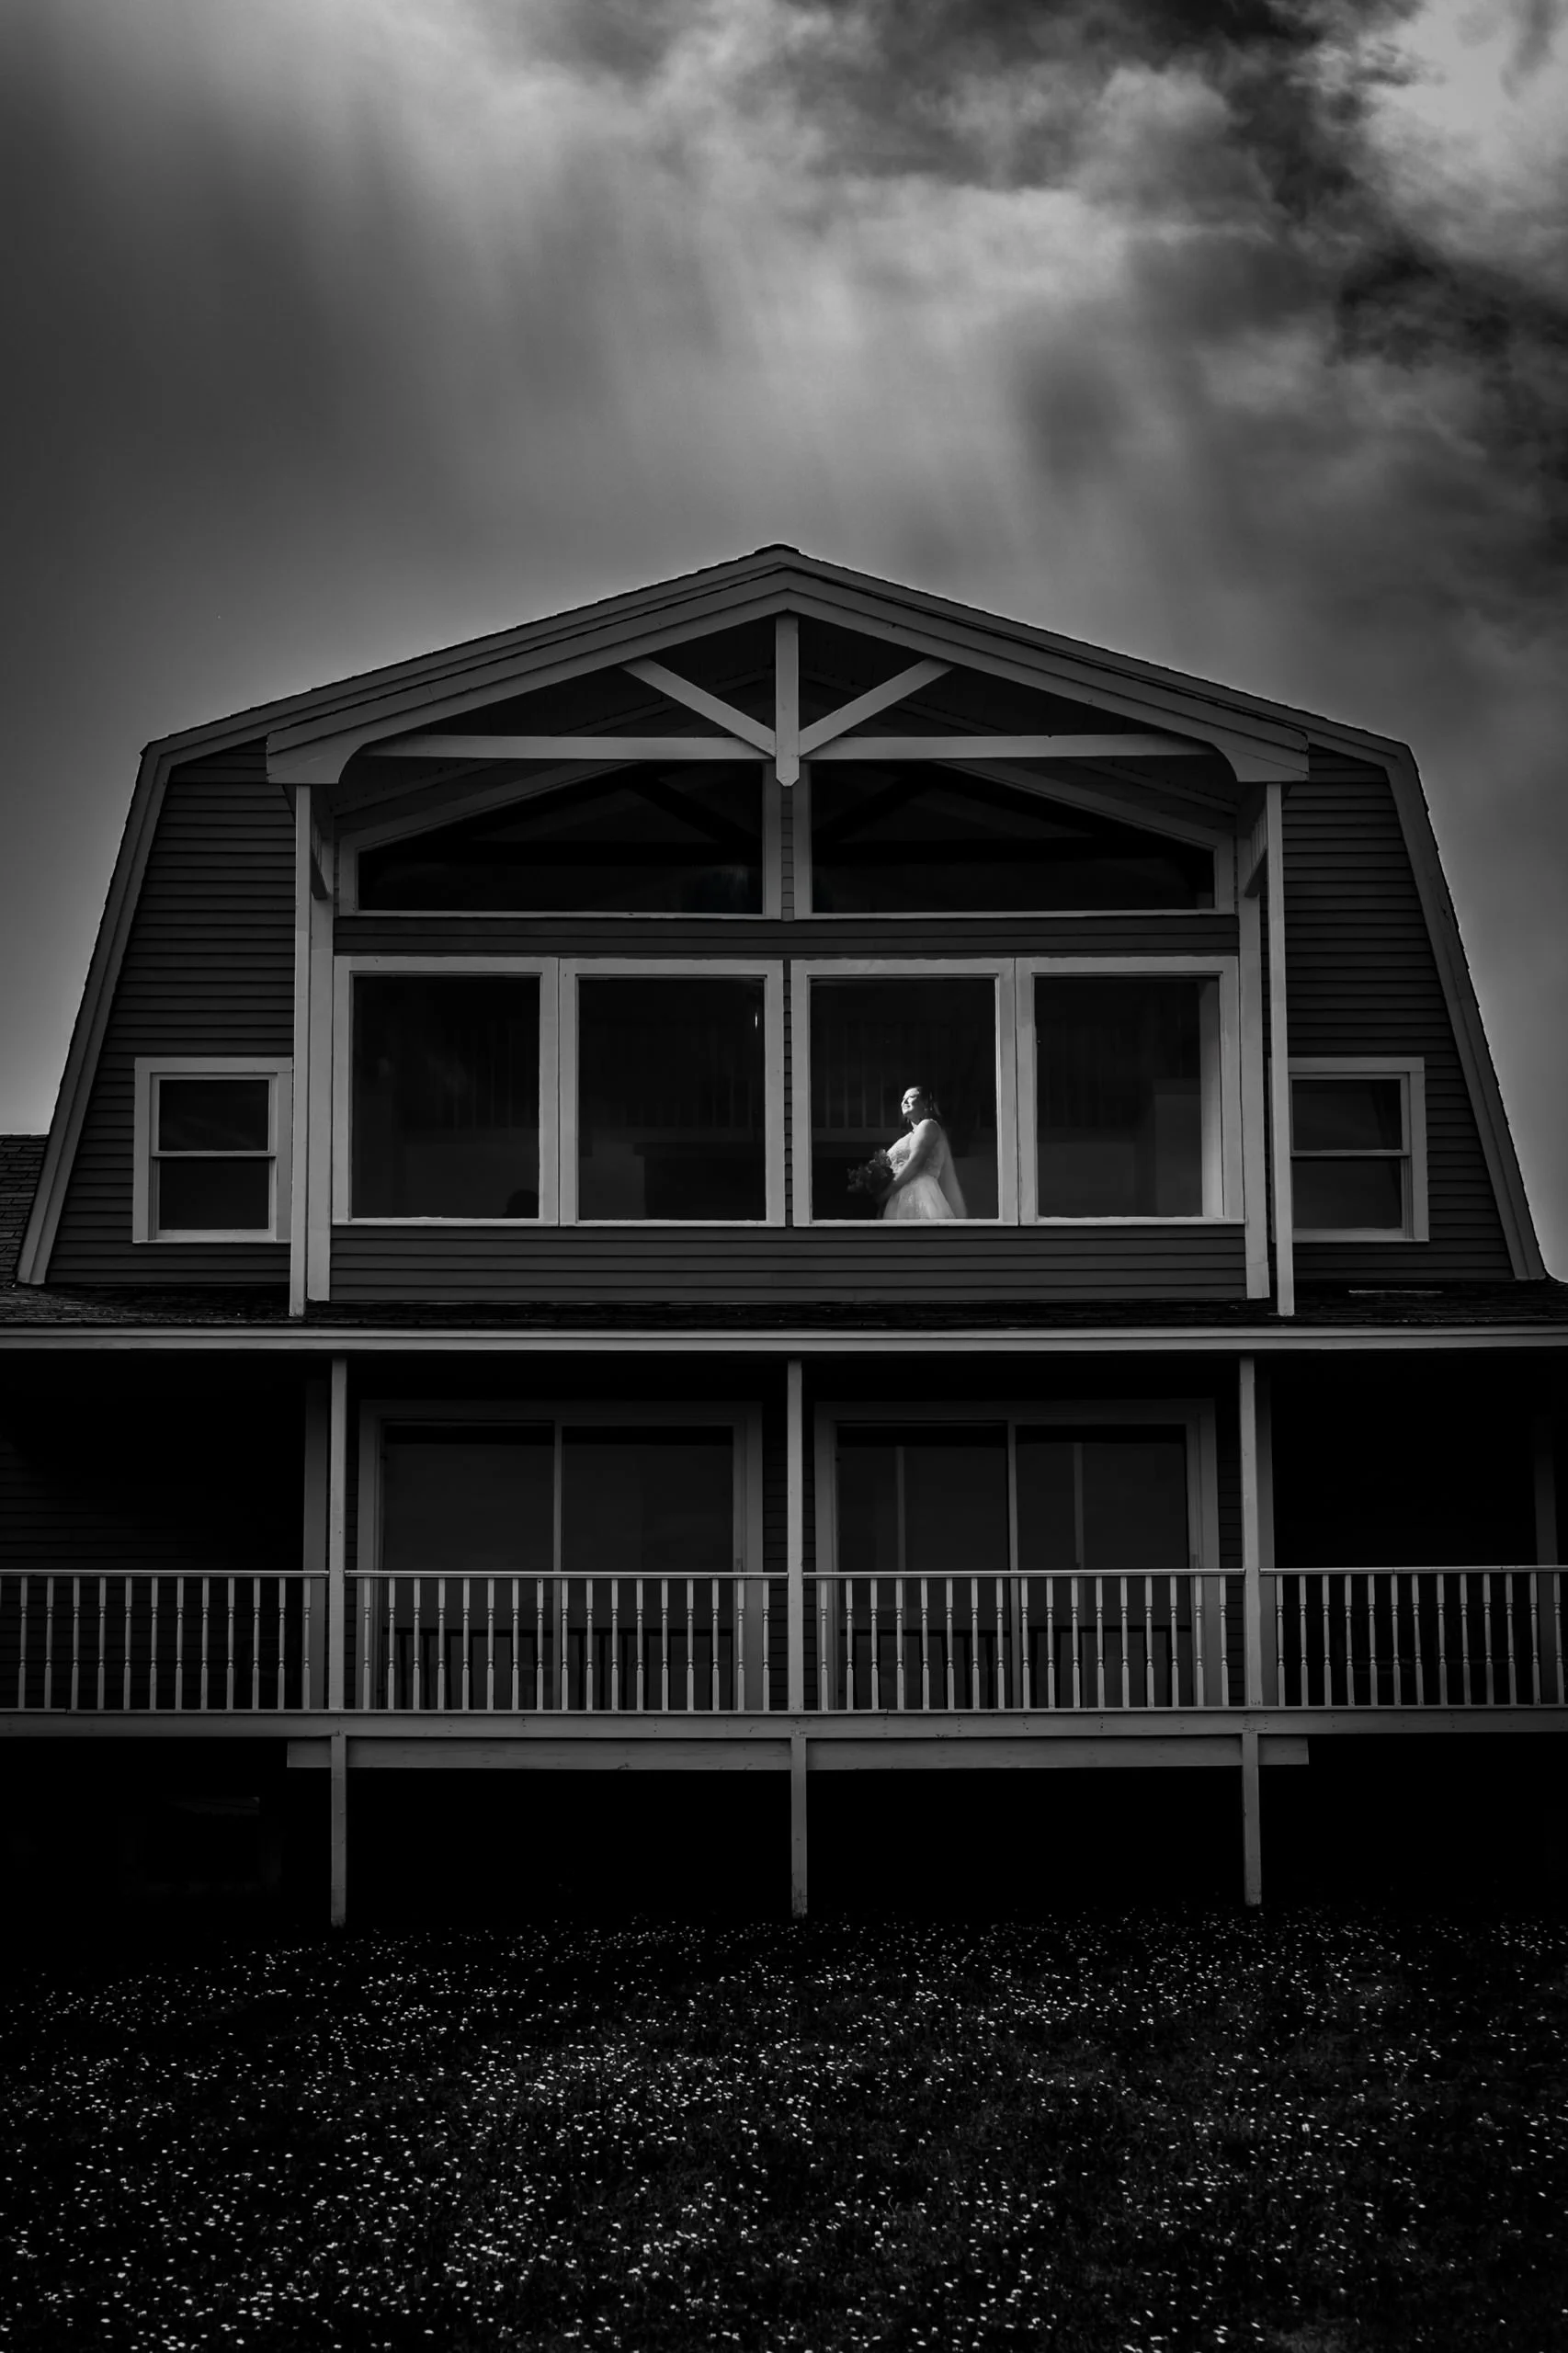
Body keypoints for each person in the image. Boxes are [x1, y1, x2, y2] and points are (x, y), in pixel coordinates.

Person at [881, 1086, 968, 1221]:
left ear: (925, 1103)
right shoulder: (909, 1136)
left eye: (911, 1097)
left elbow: (916, 1162)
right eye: (903, 1099)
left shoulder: (928, 1125)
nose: (905, 1101)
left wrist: (888, 1191)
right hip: (899, 1196)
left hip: (919, 1192)